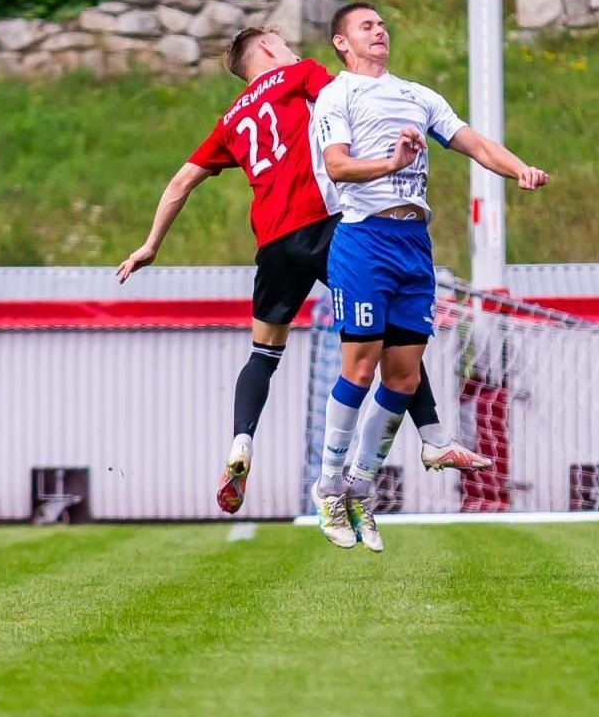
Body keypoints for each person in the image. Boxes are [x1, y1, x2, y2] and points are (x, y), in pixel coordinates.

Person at [116, 26, 488, 518]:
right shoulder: (302, 75)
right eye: (284, 42)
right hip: (327, 226)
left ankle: (241, 442)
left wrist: (150, 244)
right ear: (269, 47)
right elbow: (355, 95)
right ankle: (433, 435)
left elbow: (182, 180)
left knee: (263, 354)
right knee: (388, 327)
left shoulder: (230, 119)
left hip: (273, 242)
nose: (292, 48)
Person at [310, 1, 549, 552]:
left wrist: (519, 170)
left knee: (403, 376)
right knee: (362, 364)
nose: (380, 31)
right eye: (366, 26)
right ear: (341, 43)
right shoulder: (337, 94)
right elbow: (338, 164)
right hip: (364, 239)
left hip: (413, 245)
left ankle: (361, 488)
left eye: (382, 24)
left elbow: (475, 142)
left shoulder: (419, 96)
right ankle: (328, 484)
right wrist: (391, 165)